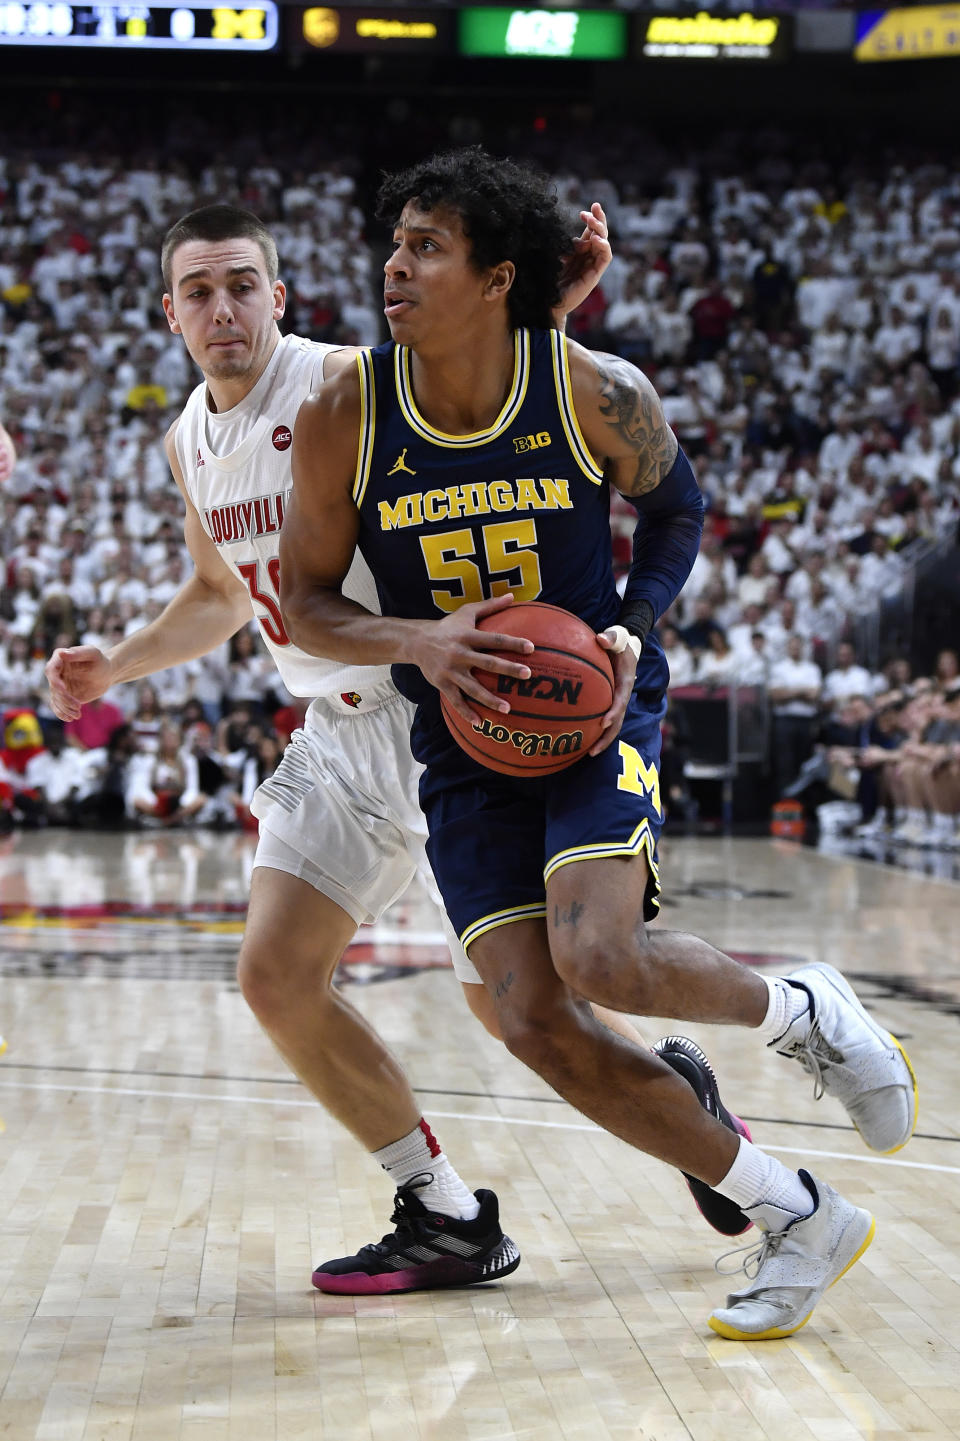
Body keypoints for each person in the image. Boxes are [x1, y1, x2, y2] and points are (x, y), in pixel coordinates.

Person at [45, 203, 746, 1300]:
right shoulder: (188, 436)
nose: (221, 308)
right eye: (198, 291)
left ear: (279, 298)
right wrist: (116, 665)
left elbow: (474, 381)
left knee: (523, 1011)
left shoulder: (344, 383)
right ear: (170, 311)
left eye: (241, 285)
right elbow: (220, 592)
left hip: (446, 721)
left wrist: (555, 305)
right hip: (335, 735)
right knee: (274, 976)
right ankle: (444, 1209)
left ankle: (682, 1091)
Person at [278, 147, 918, 1340]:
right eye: (395, 240)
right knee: (531, 1017)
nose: (394, 264)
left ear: (495, 276)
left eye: (426, 246)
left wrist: (629, 623)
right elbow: (308, 600)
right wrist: (419, 639)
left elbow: (678, 505)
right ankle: (798, 1213)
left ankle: (799, 1010)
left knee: (602, 959)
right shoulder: (344, 412)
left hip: (593, 712)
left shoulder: (587, 390)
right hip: (461, 737)